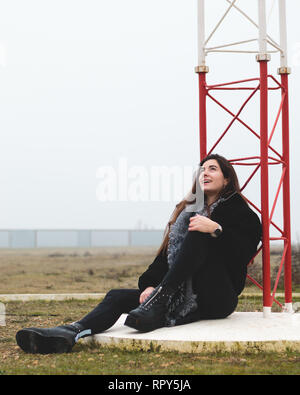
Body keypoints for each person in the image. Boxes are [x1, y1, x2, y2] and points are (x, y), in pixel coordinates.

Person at [16, 154, 262, 354]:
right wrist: (150, 286)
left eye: (212, 169)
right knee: (116, 297)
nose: (204, 173)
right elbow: (164, 259)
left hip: (217, 297)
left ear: (227, 179)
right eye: (201, 170)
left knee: (198, 231)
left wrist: (216, 229)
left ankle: (160, 301)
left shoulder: (241, 214)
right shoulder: (186, 214)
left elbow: (242, 253)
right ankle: (71, 332)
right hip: (176, 292)